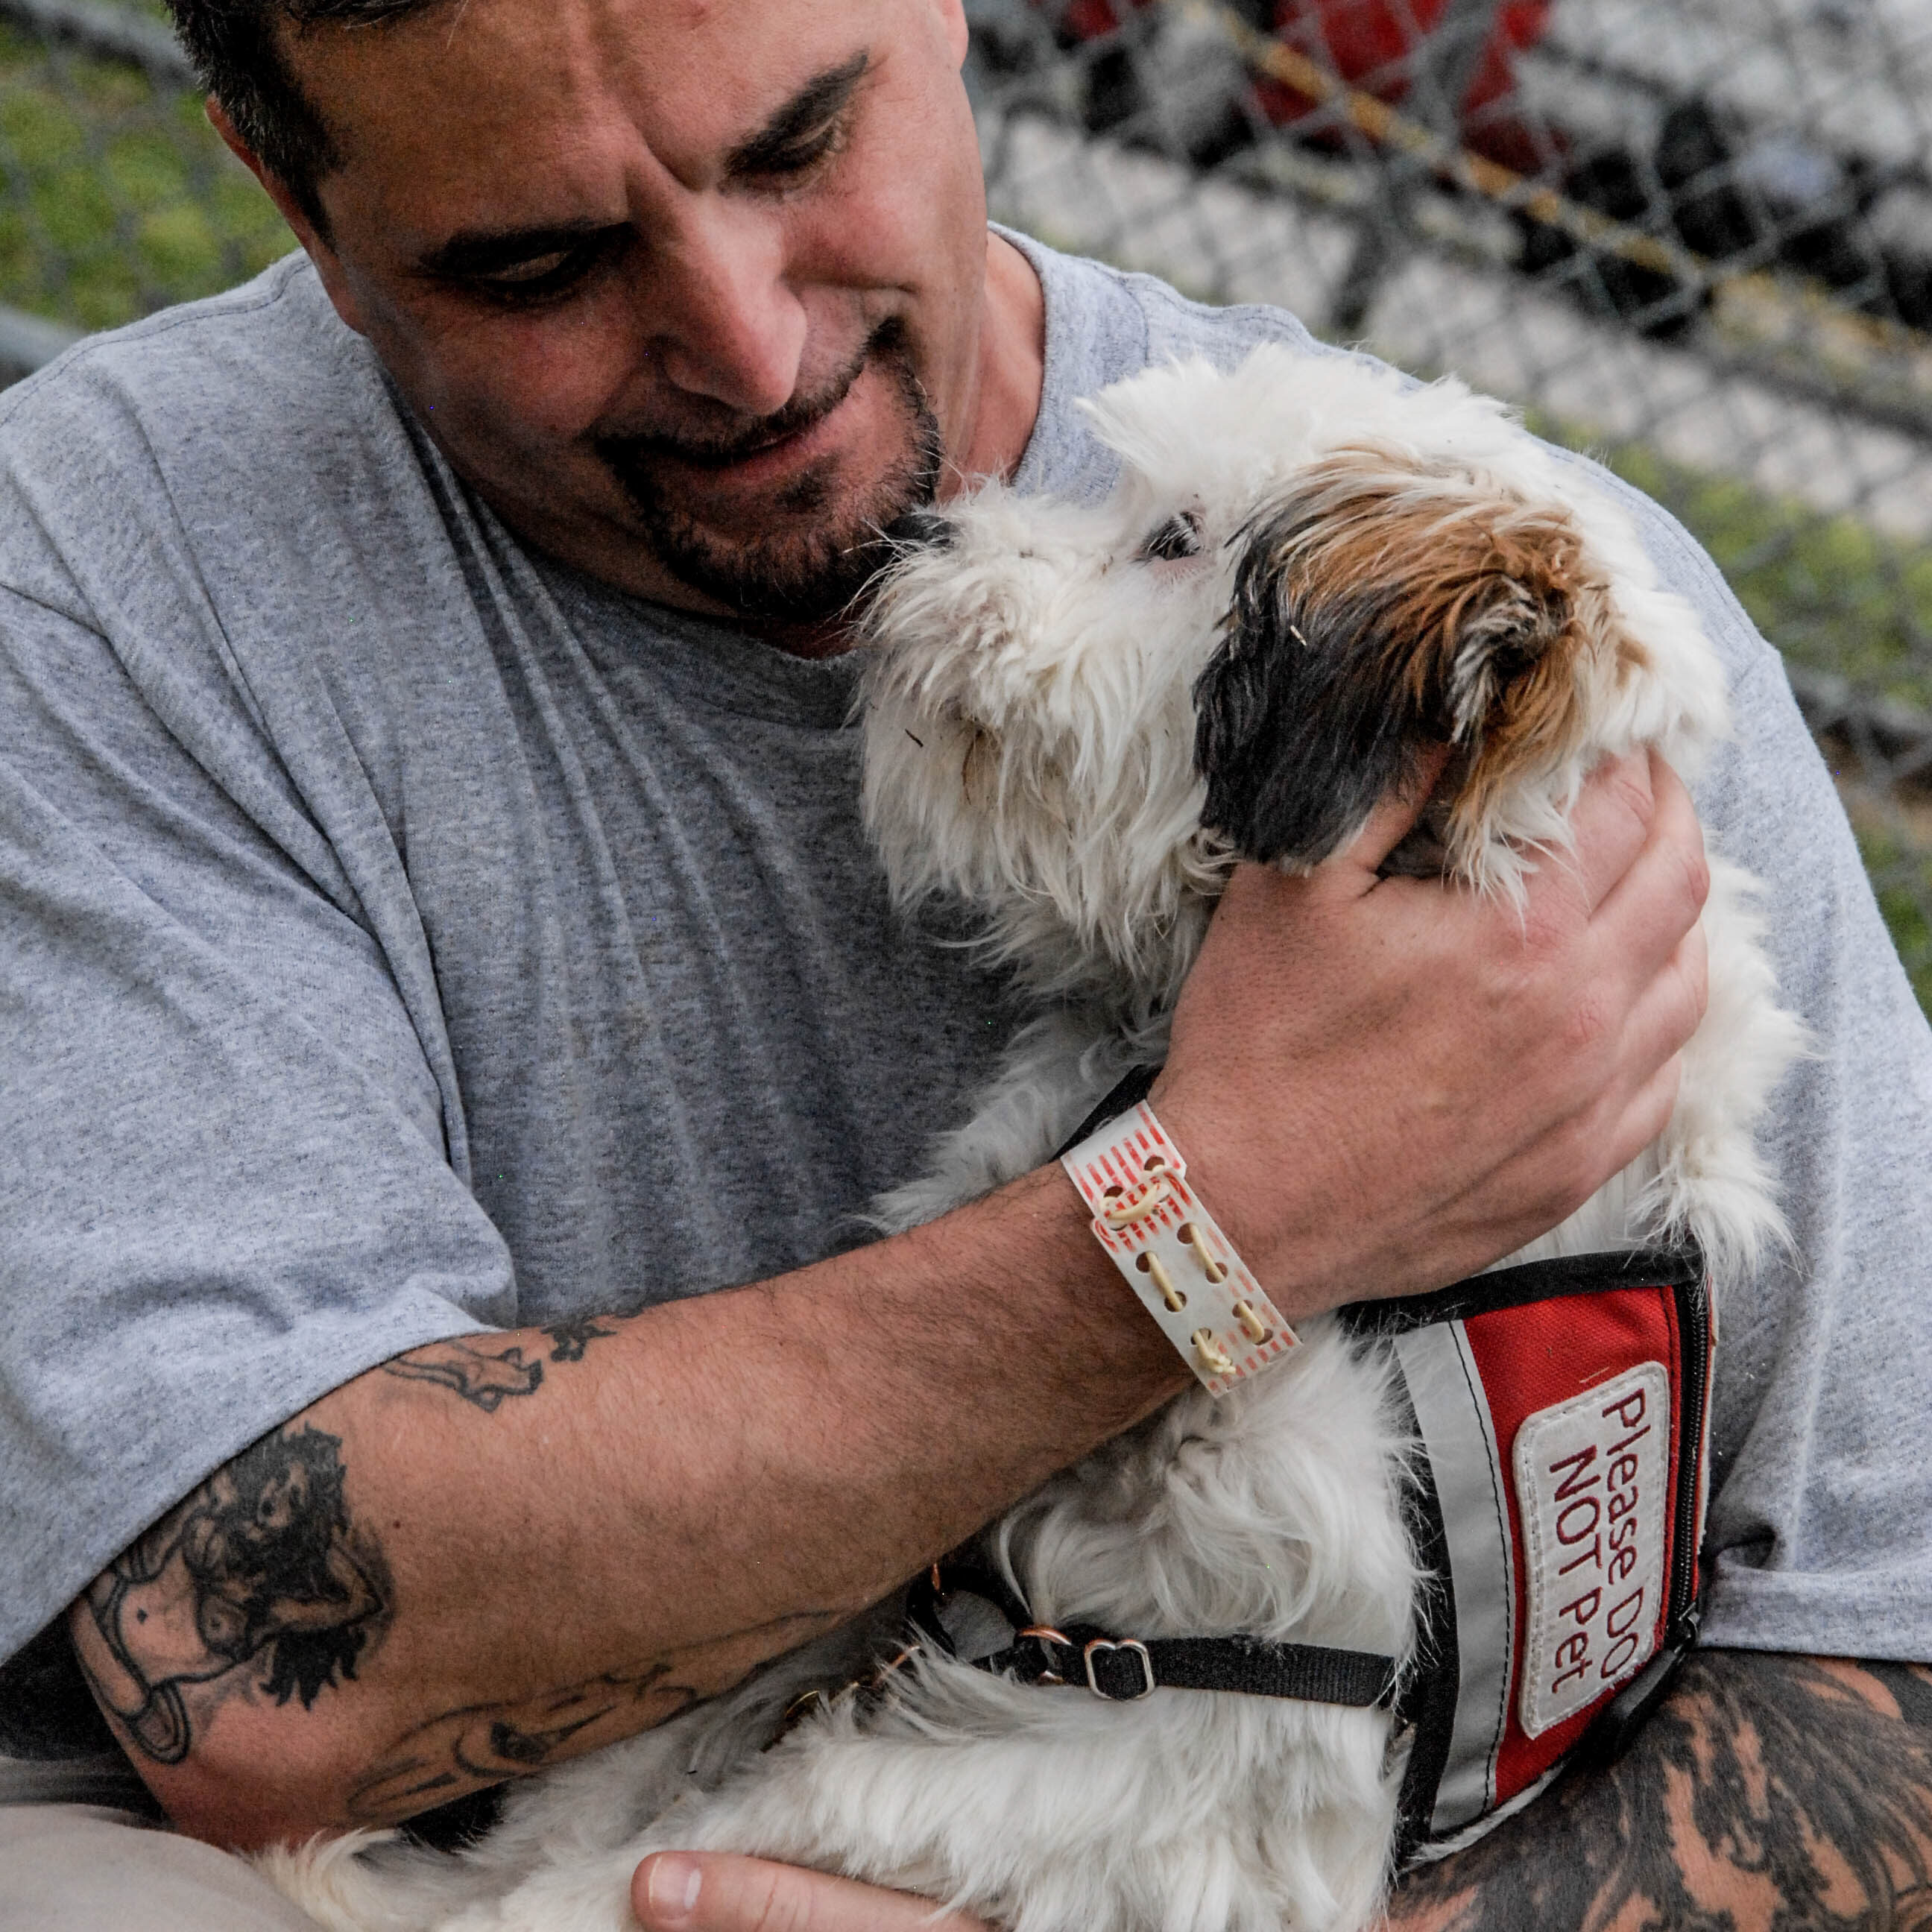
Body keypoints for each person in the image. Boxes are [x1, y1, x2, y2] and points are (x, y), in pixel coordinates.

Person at [0, 0, 1927, 1927]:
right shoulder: (112, 572)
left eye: (799, 145)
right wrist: (1222, 1213)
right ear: (297, 208)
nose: (747, 345)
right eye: (542, 262)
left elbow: (1893, 1659)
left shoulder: (1568, 687)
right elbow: (253, 1679)